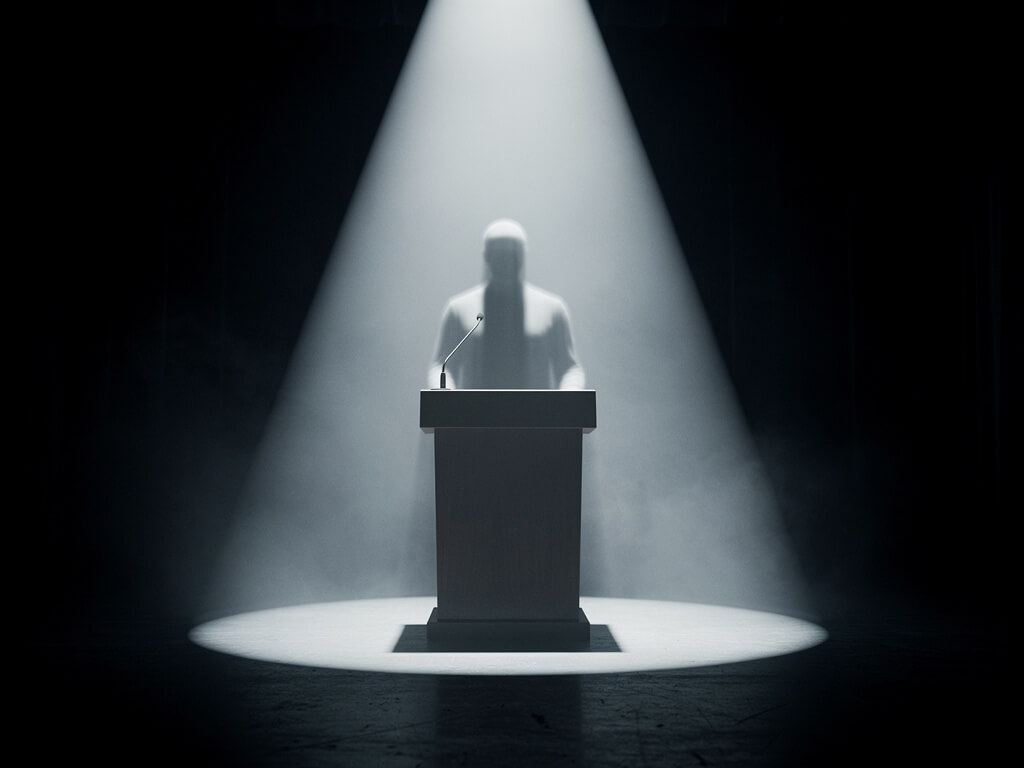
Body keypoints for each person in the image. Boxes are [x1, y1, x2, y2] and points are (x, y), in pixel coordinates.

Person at [427, 219, 585, 390]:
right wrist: (443, 394)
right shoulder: (459, 309)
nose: (505, 259)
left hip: (536, 414)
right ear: (487, 255)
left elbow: (569, 368)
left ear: (522, 255)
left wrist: (570, 397)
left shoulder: (552, 309)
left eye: (511, 252)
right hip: (473, 414)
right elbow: (442, 366)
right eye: (499, 252)